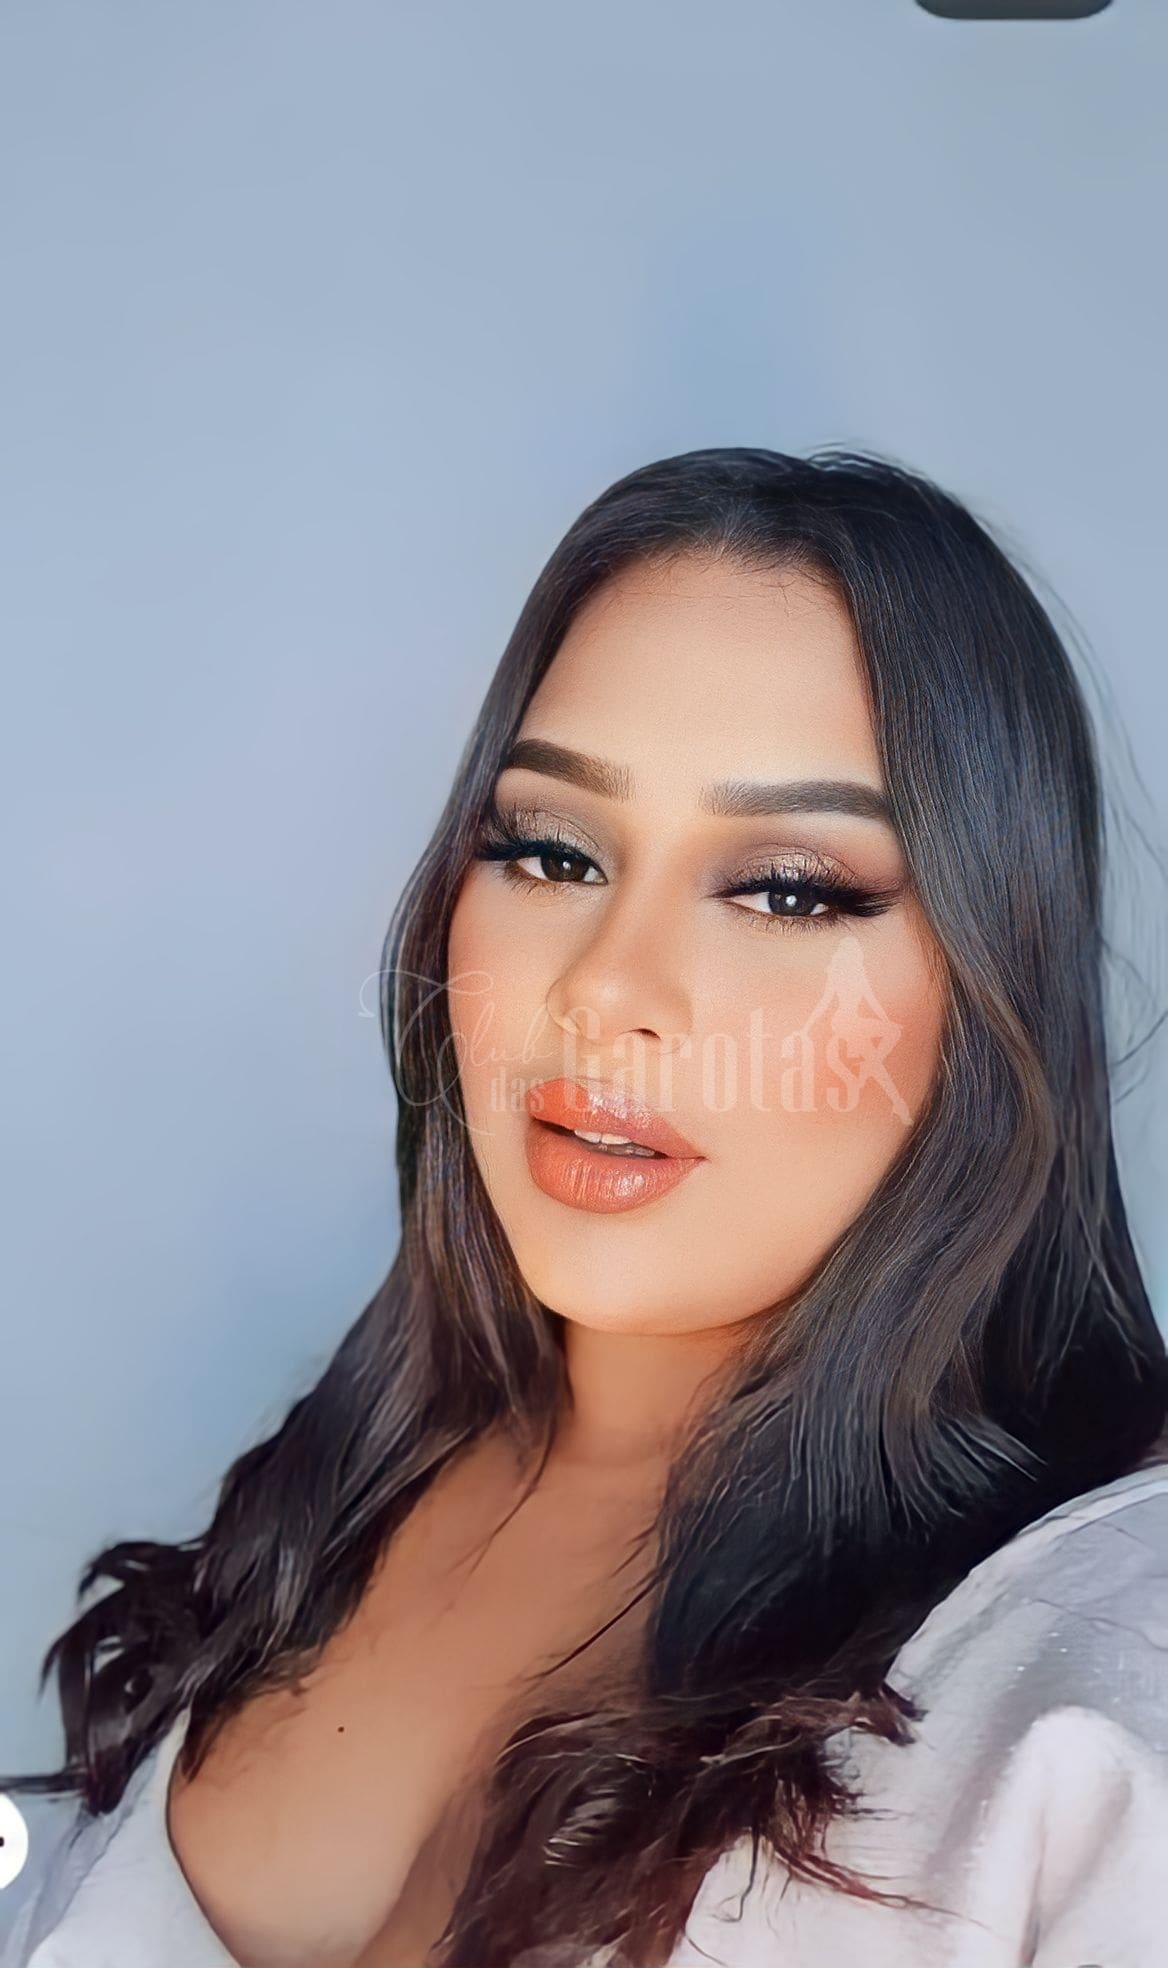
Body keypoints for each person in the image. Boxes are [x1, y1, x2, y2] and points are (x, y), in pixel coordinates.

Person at [4, 446, 1168, 1968]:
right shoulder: (336, 1493)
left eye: (787, 889)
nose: (606, 989)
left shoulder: (1108, 1665)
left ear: (992, 982)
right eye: (551, 853)